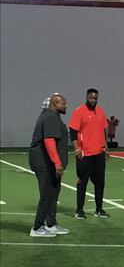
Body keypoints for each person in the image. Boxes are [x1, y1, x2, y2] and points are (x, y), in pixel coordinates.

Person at [29, 93, 70, 237]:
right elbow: (49, 141)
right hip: (45, 163)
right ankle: (37, 227)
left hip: (47, 162)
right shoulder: (51, 117)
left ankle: (51, 224)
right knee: (47, 194)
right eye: (63, 103)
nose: (66, 106)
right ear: (55, 104)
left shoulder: (51, 116)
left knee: (53, 192)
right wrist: (57, 163)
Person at [69, 88, 109, 219]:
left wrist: (106, 148)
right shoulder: (79, 111)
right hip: (85, 153)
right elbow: (73, 132)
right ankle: (79, 210)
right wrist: (76, 149)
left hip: (99, 153)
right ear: (86, 97)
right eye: (91, 98)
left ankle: (99, 209)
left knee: (100, 183)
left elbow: (103, 131)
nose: (93, 100)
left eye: (95, 98)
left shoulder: (101, 111)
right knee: (82, 182)